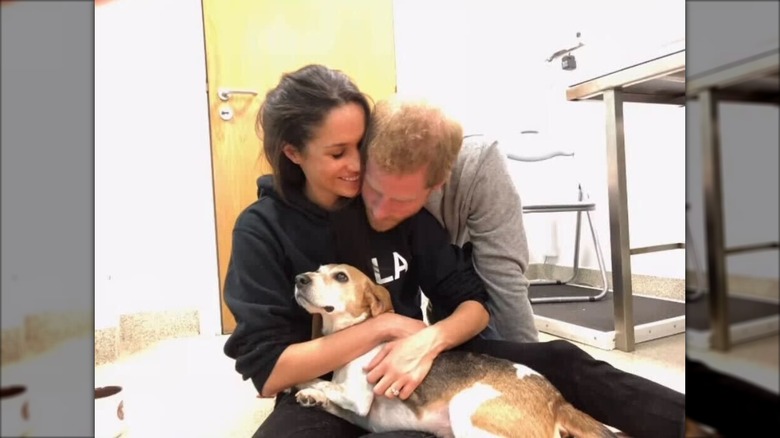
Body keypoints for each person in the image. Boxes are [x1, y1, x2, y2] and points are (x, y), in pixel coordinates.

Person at [223, 64, 685, 438]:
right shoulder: (261, 230)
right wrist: (383, 325)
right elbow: (270, 371)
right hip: (329, 383)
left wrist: (429, 339)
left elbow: (474, 302)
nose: (358, 166)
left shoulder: (401, 213)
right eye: (337, 152)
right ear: (293, 153)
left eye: (360, 146)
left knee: (562, 359)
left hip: (430, 367)